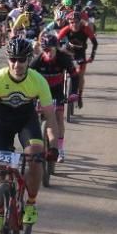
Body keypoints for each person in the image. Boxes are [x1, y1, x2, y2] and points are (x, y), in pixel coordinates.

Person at [0, 39, 61, 227]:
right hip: (2, 125)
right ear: (8, 60)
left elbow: (50, 117)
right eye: (13, 59)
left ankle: (31, 203)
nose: (17, 64)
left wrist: (54, 146)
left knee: (35, 157)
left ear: (28, 59)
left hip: (27, 122)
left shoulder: (38, 81)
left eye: (22, 59)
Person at [29, 34, 79, 162]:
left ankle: (60, 149)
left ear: (56, 48)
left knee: (59, 119)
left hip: (57, 91)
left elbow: (74, 76)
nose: (48, 53)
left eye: (50, 50)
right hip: (40, 90)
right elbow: (27, 78)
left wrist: (73, 93)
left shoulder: (64, 59)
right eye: (45, 50)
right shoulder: (37, 61)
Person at [56, 11, 98, 107]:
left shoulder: (85, 29)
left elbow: (95, 43)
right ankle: (59, 92)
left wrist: (92, 56)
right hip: (68, 52)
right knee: (60, 71)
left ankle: (79, 96)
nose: (74, 24)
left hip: (80, 53)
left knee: (80, 75)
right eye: (71, 22)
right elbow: (56, 42)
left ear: (80, 22)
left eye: (76, 22)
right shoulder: (66, 29)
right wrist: (58, 51)